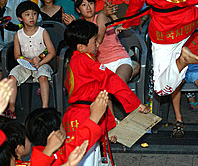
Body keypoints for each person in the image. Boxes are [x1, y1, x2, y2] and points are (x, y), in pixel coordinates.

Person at [62, 20, 149, 164]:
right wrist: (135, 104)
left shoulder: (76, 61)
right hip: (85, 115)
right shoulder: (85, 60)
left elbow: (99, 93)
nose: (98, 44)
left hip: (81, 113)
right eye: (95, 40)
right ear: (81, 47)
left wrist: (109, 129)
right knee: (87, 159)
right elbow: (111, 80)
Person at [4, 1, 56, 120]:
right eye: (27, 14)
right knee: (12, 77)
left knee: (43, 77)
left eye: (34, 14)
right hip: (26, 64)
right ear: (20, 18)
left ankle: (44, 108)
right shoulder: (18, 35)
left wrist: (40, 62)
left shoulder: (42, 32)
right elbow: (17, 55)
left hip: (43, 63)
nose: (31, 17)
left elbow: (51, 52)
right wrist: (28, 61)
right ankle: (11, 108)